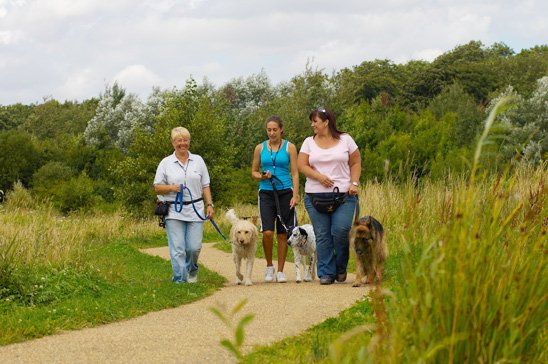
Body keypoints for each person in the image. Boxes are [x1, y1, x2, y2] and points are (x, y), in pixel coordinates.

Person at [297, 107, 361, 285]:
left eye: (315, 121)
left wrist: (354, 183)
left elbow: (355, 162)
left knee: (340, 231)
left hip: (344, 195)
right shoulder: (308, 142)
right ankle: (326, 272)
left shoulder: (345, 139)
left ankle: (341, 268)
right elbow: (301, 165)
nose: (312, 125)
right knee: (323, 234)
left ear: (326, 122)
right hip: (315, 196)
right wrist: (319, 177)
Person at [153, 126, 215, 283]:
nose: (182, 143)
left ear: (189, 141)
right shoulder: (166, 163)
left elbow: (205, 185)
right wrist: (172, 188)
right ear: (173, 143)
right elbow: (157, 187)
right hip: (174, 209)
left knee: (194, 247)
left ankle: (192, 270)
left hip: (196, 209)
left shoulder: (198, 160)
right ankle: (179, 280)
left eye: (185, 140)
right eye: (179, 140)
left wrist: (210, 204)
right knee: (178, 248)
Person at [251, 116, 299, 283]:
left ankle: (281, 270)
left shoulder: (290, 147)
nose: (272, 133)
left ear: (281, 129)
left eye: (275, 130)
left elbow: (295, 173)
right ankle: (269, 266)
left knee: (283, 233)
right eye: (269, 130)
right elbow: (254, 171)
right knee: (268, 232)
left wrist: (295, 194)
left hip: (285, 191)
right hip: (266, 192)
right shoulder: (260, 148)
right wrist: (262, 177)